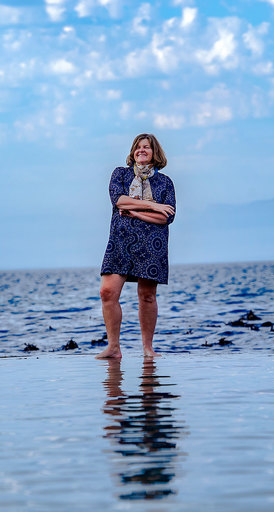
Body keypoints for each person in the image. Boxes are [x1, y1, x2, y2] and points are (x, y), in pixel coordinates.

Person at [97, 133, 176, 359]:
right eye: (138, 147)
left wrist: (134, 212)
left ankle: (148, 349)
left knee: (147, 296)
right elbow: (118, 200)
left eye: (147, 148)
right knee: (107, 292)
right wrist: (152, 206)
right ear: (133, 152)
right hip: (120, 242)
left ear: (155, 153)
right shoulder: (120, 174)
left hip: (153, 243)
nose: (142, 150)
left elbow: (166, 218)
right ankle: (113, 348)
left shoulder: (165, 182)